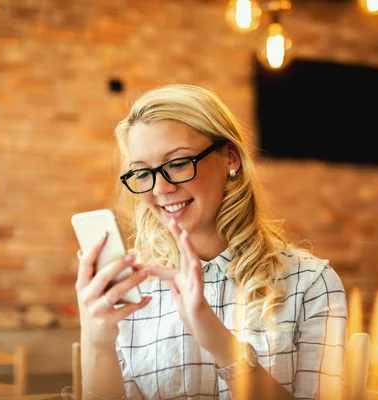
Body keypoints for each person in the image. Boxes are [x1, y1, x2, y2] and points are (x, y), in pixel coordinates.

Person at [74, 84, 348, 399]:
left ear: (230, 158)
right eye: (142, 173)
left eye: (177, 163)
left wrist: (216, 338)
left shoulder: (310, 283)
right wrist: (96, 339)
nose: (160, 188)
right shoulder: (133, 289)